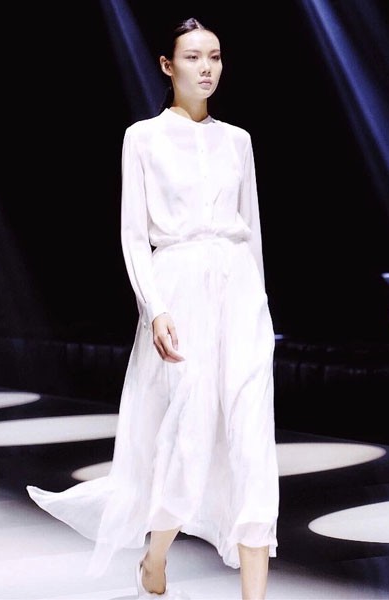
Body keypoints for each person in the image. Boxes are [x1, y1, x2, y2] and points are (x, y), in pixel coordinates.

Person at [27, 16, 279, 600]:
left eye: (215, 55)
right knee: (188, 438)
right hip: (178, 291)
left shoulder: (238, 141)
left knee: (251, 443)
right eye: (193, 57)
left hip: (240, 293)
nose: (207, 67)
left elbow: (253, 232)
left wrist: (262, 310)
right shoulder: (142, 137)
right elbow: (133, 234)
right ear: (168, 66)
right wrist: (155, 307)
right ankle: (155, 555)